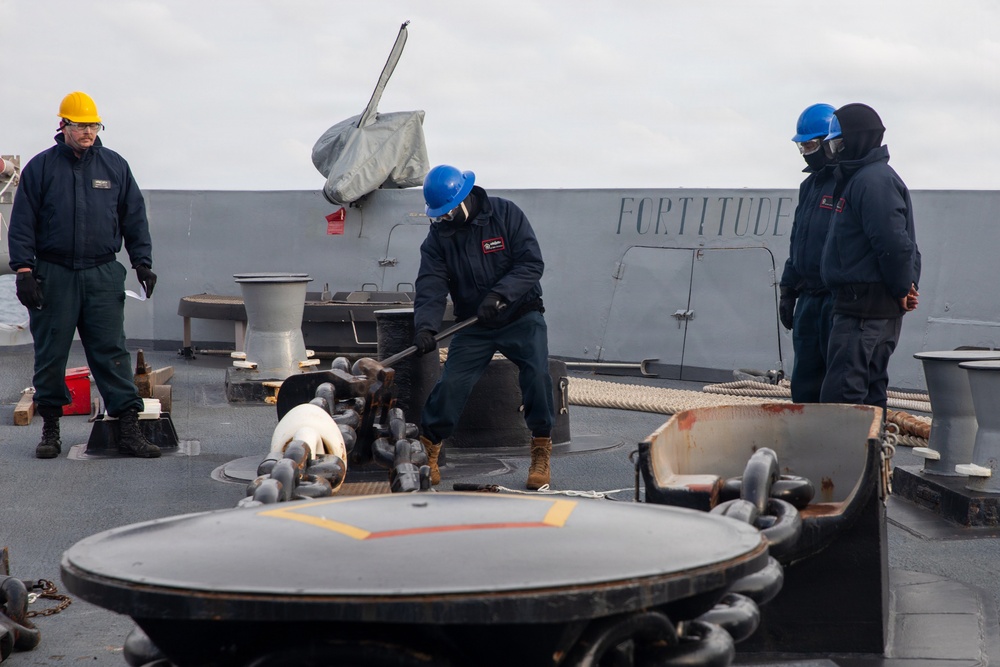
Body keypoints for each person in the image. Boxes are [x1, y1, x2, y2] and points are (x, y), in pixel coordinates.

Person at [8, 91, 161, 459]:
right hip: (54, 274)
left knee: (111, 352)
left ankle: (128, 428)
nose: (89, 132)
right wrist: (24, 271)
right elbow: (23, 221)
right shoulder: (41, 168)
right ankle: (51, 429)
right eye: (81, 125)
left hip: (101, 273)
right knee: (51, 353)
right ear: (63, 126)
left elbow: (133, 216)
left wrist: (142, 261)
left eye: (94, 125)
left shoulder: (114, 166)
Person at [411, 164, 555, 489]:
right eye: (439, 214)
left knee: (537, 374)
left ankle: (541, 448)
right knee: (451, 383)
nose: (443, 218)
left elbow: (531, 263)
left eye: (447, 212)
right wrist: (426, 328)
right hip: (475, 324)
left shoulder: (506, 215)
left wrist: (500, 295)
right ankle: (429, 449)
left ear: (463, 198)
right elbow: (431, 284)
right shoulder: (438, 239)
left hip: (521, 315)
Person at [819, 103, 920, 408]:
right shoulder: (867, 179)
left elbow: (894, 242)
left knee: (843, 398)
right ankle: (870, 456)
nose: (835, 151)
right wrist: (905, 286)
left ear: (856, 140)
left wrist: (904, 287)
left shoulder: (871, 181)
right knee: (870, 394)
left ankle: (842, 456)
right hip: (869, 310)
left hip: (862, 313)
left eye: (838, 143)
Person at [779, 103, 838, 402]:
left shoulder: (850, 184)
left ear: (830, 143)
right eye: (802, 146)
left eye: (811, 145)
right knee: (804, 379)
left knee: (836, 380)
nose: (806, 152)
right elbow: (799, 239)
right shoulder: (809, 186)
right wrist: (788, 287)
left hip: (835, 298)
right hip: (809, 300)